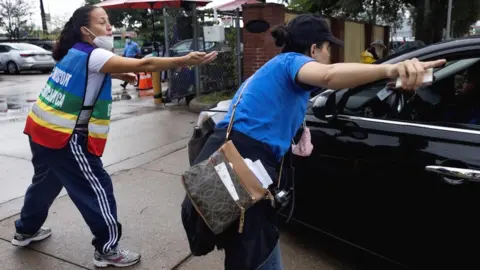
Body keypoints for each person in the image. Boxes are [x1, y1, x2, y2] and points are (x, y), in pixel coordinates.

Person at [181, 14, 445, 270]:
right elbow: (329, 75)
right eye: (328, 48)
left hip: (231, 167)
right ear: (314, 48)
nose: (329, 55)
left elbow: (332, 81)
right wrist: (391, 68)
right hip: (242, 172)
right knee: (254, 251)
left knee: (247, 248)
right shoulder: (290, 62)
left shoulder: (274, 71)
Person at [12, 5, 217, 268]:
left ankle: (25, 230)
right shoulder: (94, 54)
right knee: (97, 188)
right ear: (86, 30)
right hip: (64, 137)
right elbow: (146, 63)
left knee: (45, 183)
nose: (109, 27)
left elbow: (89, 71)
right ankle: (107, 250)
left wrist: (119, 73)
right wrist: (185, 59)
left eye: (108, 21)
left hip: (40, 127)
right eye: (102, 22)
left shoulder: (74, 51)